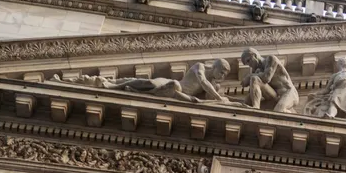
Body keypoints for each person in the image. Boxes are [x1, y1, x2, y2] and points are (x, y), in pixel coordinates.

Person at [53, 58, 233, 103]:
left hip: (175, 93)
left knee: (141, 85)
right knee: (141, 83)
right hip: (170, 85)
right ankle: (110, 84)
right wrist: (218, 98)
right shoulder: (200, 67)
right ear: (216, 66)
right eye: (223, 71)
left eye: (226, 74)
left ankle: (114, 85)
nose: (224, 76)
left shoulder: (214, 86)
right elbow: (203, 82)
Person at [305, 54, 346, 119]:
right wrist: (316, 94)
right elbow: (327, 90)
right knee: (333, 103)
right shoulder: (335, 76)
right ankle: (331, 115)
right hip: (338, 91)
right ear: (340, 63)